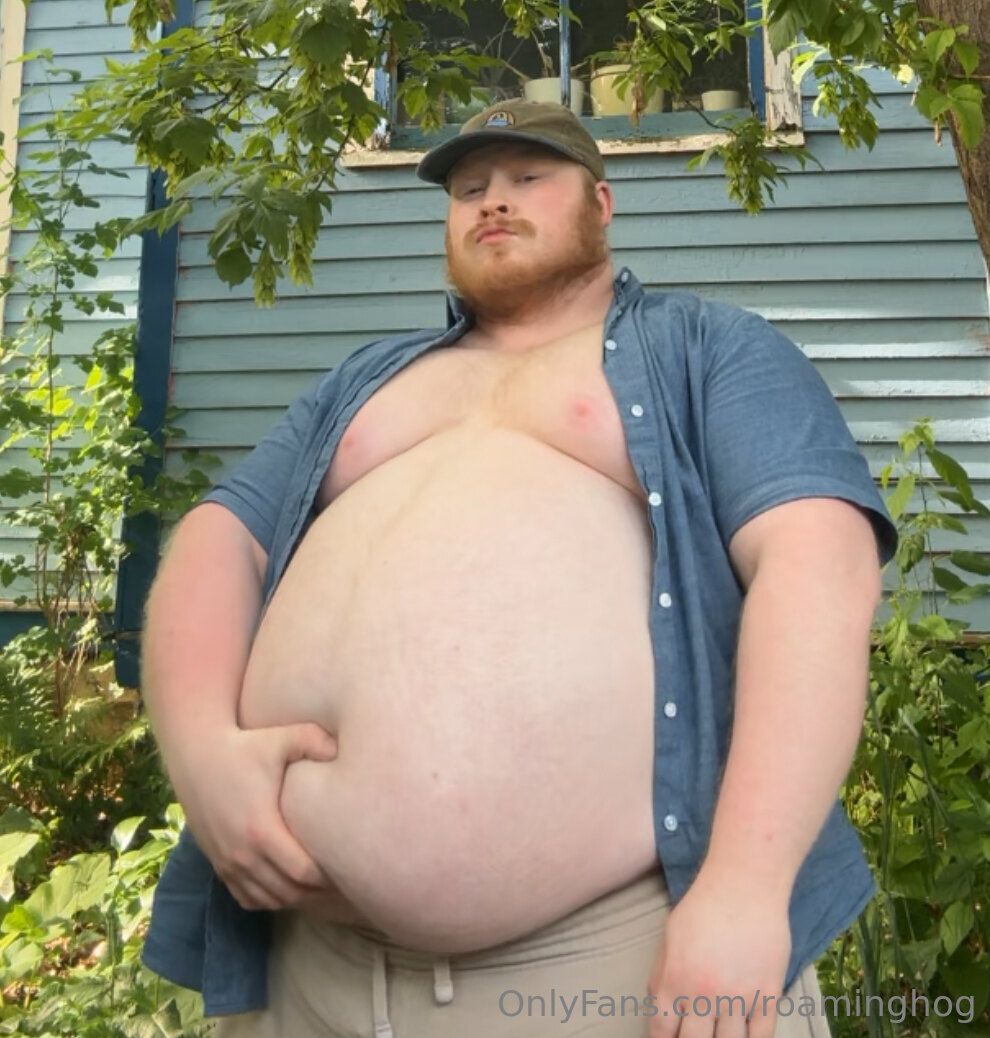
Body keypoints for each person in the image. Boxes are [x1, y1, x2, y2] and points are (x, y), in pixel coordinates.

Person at [140, 99, 899, 1038]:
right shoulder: (367, 381)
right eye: (469, 188)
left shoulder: (707, 348)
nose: (493, 201)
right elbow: (218, 537)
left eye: (528, 177)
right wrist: (202, 754)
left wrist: (746, 888)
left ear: (601, 204)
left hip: (608, 968)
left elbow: (818, 566)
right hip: (304, 974)